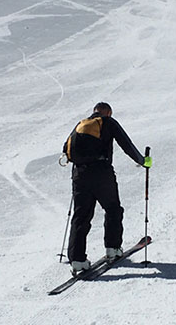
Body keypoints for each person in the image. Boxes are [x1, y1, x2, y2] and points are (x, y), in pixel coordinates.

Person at [62, 102, 151, 274]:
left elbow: (65, 149)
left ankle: (77, 260)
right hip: (102, 173)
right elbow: (126, 144)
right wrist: (143, 161)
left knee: (81, 216)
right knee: (112, 209)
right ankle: (113, 248)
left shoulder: (81, 124)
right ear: (108, 112)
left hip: (80, 175)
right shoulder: (108, 122)